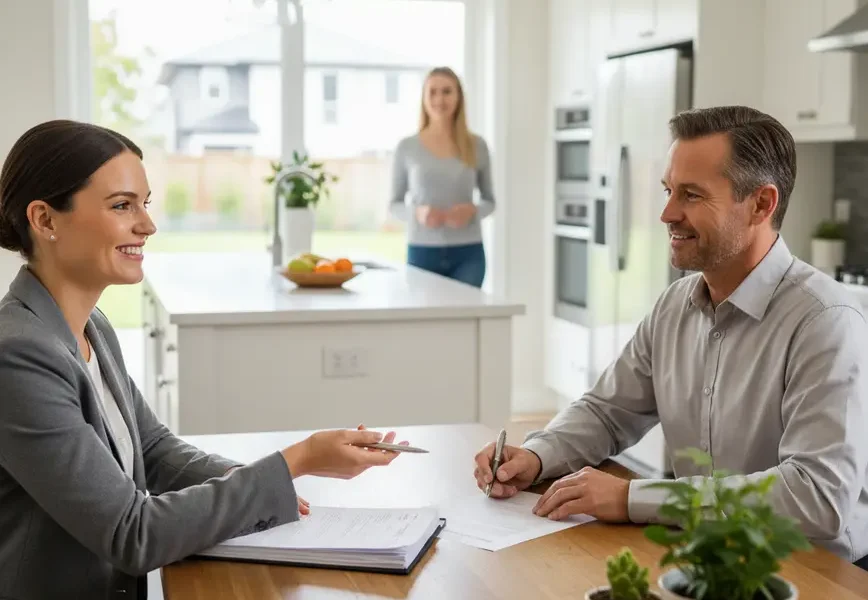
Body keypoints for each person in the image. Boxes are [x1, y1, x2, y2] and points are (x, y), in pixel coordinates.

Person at [0, 120, 408, 599]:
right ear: (45, 220)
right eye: (121, 205)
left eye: (144, 204)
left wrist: (258, 483)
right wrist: (296, 461)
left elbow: (153, 451)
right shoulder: (19, 355)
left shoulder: (92, 327)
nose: (147, 225)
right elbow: (132, 533)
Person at [473, 105, 868, 565]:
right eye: (668, 190)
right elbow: (606, 413)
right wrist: (538, 456)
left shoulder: (825, 319)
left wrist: (634, 498)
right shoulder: (675, 305)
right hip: (705, 555)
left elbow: (817, 497)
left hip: (810, 573)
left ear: (761, 204)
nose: (666, 213)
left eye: (692, 195)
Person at [389, 66, 495, 288]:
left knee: (464, 320)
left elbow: (490, 201)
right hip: (422, 252)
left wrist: (473, 210)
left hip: (469, 254)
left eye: (447, 91)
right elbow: (394, 204)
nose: (440, 99)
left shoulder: (477, 146)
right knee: (425, 322)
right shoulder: (407, 147)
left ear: (458, 97)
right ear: (424, 98)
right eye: (433, 92)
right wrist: (417, 213)